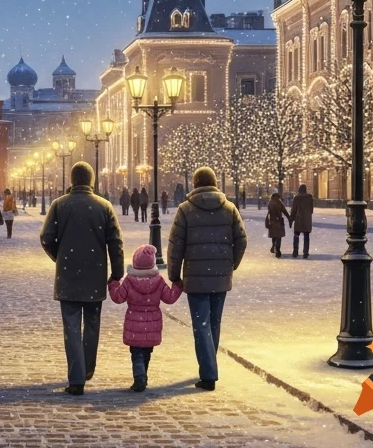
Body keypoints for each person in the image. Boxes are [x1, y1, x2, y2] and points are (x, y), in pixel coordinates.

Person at [40, 161, 125, 396]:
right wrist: (116, 272)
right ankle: (87, 368)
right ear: (91, 181)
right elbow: (115, 242)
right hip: (94, 274)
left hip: (68, 275)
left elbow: (46, 238)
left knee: (71, 327)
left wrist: (61, 258)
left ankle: (76, 378)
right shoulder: (104, 206)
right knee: (92, 324)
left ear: (71, 180)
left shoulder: (59, 205)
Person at [167, 166, 247, 391]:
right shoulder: (229, 208)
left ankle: (209, 373)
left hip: (196, 278)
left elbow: (175, 246)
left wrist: (174, 275)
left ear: (195, 184)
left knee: (201, 324)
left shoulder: (185, 210)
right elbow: (241, 240)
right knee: (213, 322)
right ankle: (210, 366)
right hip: (220, 278)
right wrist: (230, 265)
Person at [108, 243, 183, 392]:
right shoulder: (158, 280)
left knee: (136, 353)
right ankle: (143, 375)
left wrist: (113, 284)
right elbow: (169, 298)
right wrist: (177, 286)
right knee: (147, 351)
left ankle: (139, 377)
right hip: (152, 324)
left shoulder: (129, 280)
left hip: (134, 324)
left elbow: (118, 297)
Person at [289, 184, 314, 258]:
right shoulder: (309, 197)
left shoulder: (297, 198)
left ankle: (295, 251)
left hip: (298, 219)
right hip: (307, 219)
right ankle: (305, 252)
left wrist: (292, 218)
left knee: (296, 235)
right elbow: (311, 209)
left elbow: (294, 209)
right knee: (306, 236)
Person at [265, 192, 289, 258]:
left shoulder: (270, 203)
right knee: (278, 236)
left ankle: (274, 246)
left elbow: (269, 212)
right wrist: (289, 217)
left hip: (272, 221)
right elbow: (284, 211)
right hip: (278, 221)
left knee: (274, 236)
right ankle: (277, 249)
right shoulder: (279, 202)